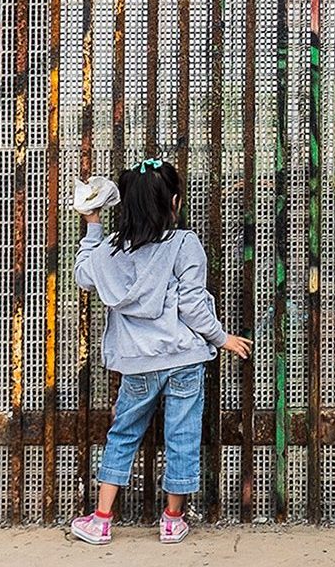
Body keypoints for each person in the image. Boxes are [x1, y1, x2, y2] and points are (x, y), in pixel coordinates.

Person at [66, 159, 252, 546]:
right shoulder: (184, 243)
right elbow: (193, 305)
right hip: (184, 359)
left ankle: (101, 520)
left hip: (136, 363)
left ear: (126, 207)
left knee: (123, 435)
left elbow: (84, 274)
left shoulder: (111, 251)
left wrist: (93, 224)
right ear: (175, 202)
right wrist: (221, 339)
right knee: (182, 435)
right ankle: (172, 519)